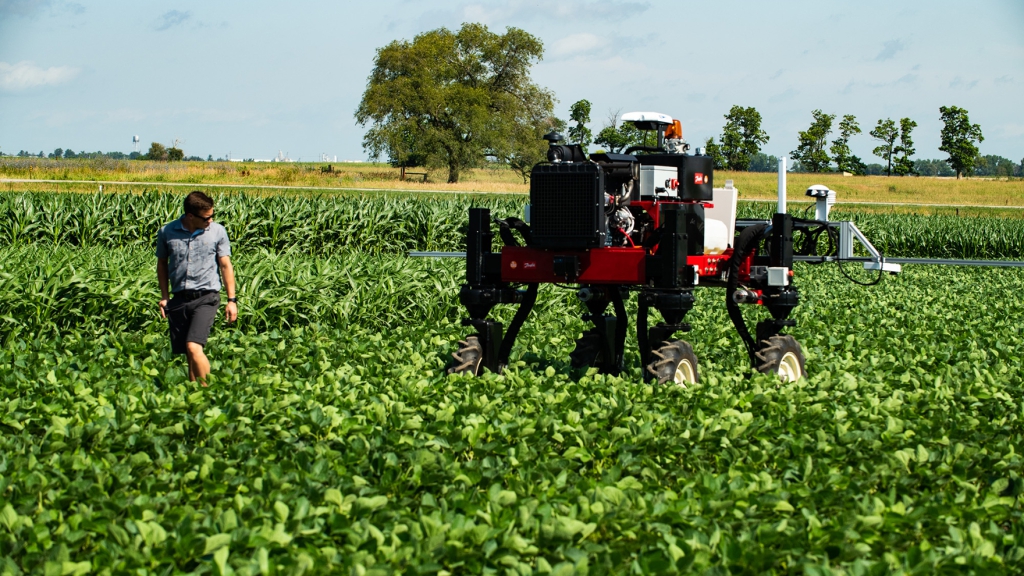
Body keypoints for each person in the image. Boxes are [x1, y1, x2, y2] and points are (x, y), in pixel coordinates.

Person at [156, 191, 238, 385]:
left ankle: (208, 392)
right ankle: (195, 396)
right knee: (188, 353)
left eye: (212, 216)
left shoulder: (217, 232)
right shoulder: (167, 232)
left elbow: (225, 265)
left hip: (206, 296)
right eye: (207, 217)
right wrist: (165, 296)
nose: (211, 220)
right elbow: (162, 264)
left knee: (193, 347)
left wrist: (231, 300)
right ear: (190, 216)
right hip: (180, 298)